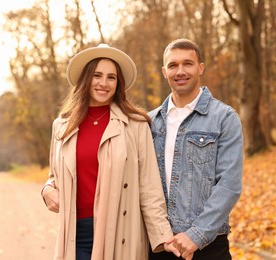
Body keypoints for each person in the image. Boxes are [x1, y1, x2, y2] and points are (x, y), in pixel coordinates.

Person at [41, 44, 180, 260]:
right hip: (75, 234)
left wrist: (163, 236)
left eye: (111, 77)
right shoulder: (62, 126)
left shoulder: (135, 125)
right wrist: (47, 189)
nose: (104, 83)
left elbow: (149, 186)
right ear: (86, 79)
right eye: (97, 75)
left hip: (121, 232)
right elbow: (54, 176)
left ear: (118, 83)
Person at [148, 38, 244, 260]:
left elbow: (229, 184)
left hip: (208, 246)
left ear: (200, 67)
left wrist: (196, 235)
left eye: (187, 63)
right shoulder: (150, 122)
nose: (180, 71)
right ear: (164, 71)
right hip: (159, 245)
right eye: (173, 65)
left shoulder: (224, 117)